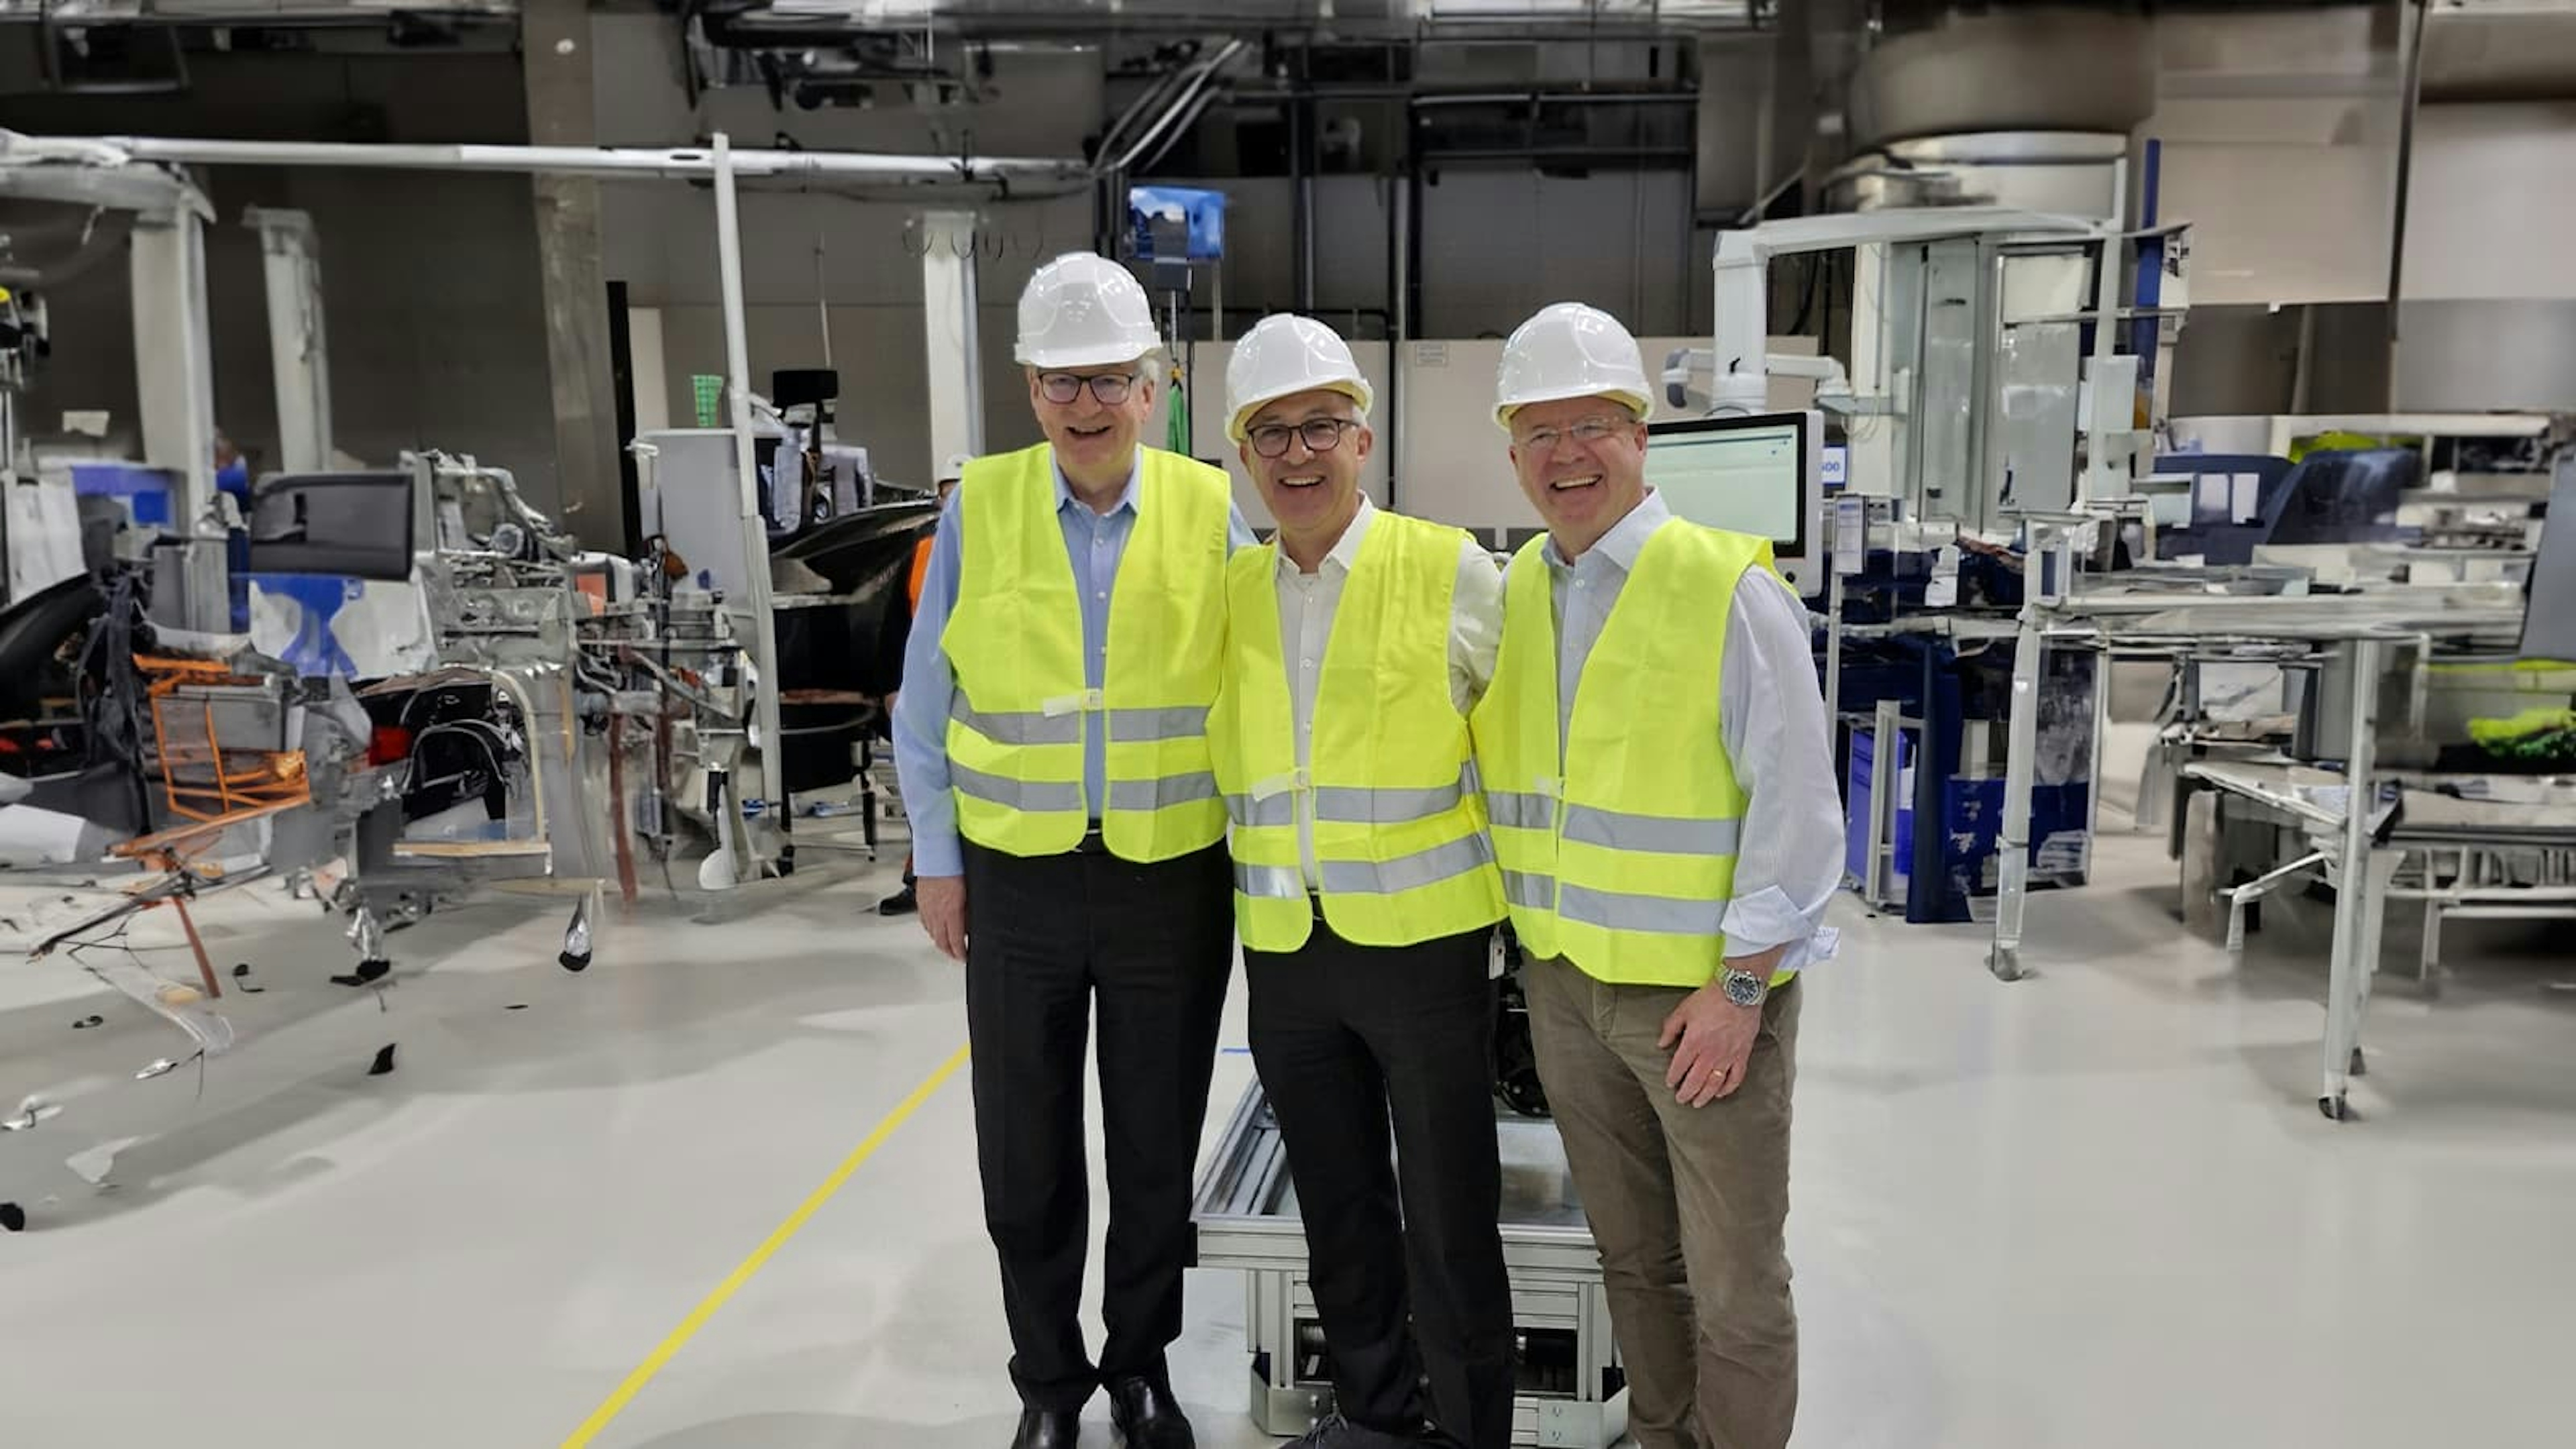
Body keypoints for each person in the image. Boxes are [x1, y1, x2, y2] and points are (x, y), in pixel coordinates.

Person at [892, 251, 1255, 1449]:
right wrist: (937, 862)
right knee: (1025, 1153)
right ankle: (1049, 1385)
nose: (1086, 406)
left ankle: (1139, 1366)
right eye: (1061, 384)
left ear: (1153, 388)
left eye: (1109, 381)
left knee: (1155, 1147)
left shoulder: (1212, 510)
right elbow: (922, 702)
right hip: (1019, 883)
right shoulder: (978, 506)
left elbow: (1265, 685)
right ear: (1031, 394)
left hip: (1170, 879)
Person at [1466, 303, 1843, 1449]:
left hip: (1702, 1005)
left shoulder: (1725, 590)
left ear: (1640, 435)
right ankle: (1662, 1434)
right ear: (1513, 452)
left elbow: (1800, 818)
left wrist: (1740, 997)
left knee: (1734, 1283)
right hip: (1568, 990)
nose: (1565, 456)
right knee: (1633, 1259)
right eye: (1538, 433)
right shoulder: (1520, 584)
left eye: (1591, 426)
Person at [1205, 315, 1514, 1449]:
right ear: (1245, 454)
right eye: (1271, 433)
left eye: (1320, 427)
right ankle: (1378, 1416)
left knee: (1449, 1219)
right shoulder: (1232, 594)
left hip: (1426, 954)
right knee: (1337, 1209)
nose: (1297, 454)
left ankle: (1472, 1430)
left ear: (1363, 438)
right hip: (1288, 956)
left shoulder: (1451, 571)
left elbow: (1520, 754)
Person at [877, 452, 972, 918]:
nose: (952, 501)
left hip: (977, 700)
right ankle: (923, 874)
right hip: (930, 688)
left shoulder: (1005, 544)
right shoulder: (921, 551)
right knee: (927, 786)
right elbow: (900, 624)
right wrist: (892, 684)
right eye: (946, 493)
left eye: (960, 491)